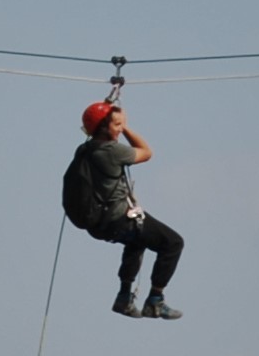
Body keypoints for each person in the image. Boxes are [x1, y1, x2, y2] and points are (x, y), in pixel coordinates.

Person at [62, 98, 182, 318]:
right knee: (173, 243)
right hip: (118, 219)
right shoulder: (112, 151)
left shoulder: (84, 149)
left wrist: (109, 115)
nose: (119, 129)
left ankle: (124, 298)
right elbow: (146, 152)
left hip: (99, 224)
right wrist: (125, 127)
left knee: (138, 241)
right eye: (115, 125)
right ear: (103, 127)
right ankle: (155, 300)